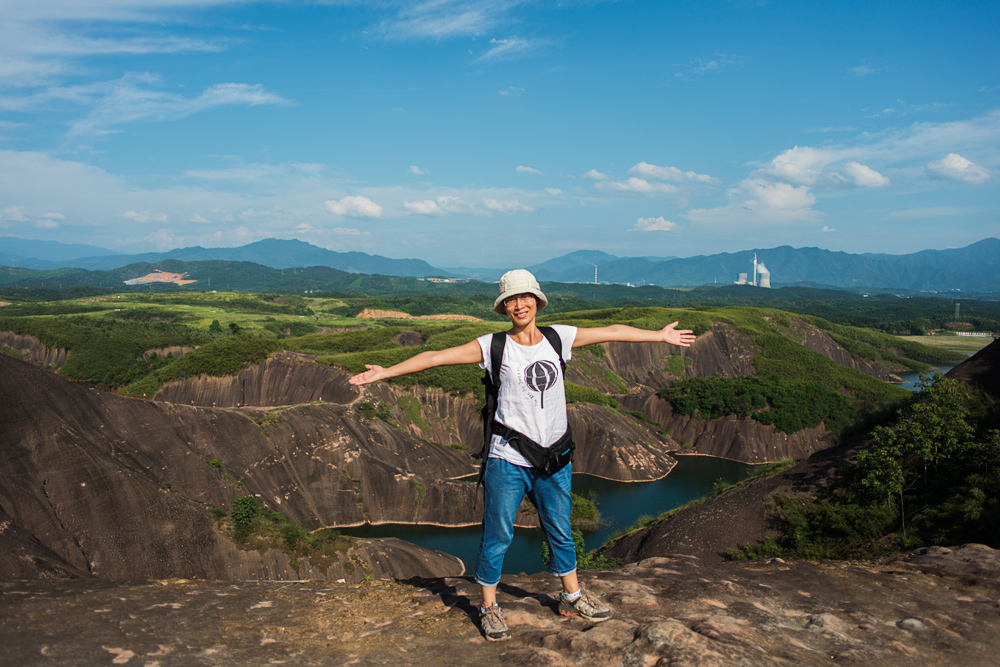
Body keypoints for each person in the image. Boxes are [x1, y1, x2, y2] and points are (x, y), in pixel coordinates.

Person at [349, 269, 696, 642]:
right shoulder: (494, 346)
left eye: (525, 297)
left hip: (555, 456)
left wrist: (659, 336)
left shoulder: (558, 337)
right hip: (508, 457)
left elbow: (611, 331)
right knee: (497, 535)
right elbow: (436, 357)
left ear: (537, 301)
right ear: (504, 307)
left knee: (560, 530)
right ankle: (489, 607)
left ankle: (572, 596)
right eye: (511, 300)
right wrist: (387, 372)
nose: (519, 304)